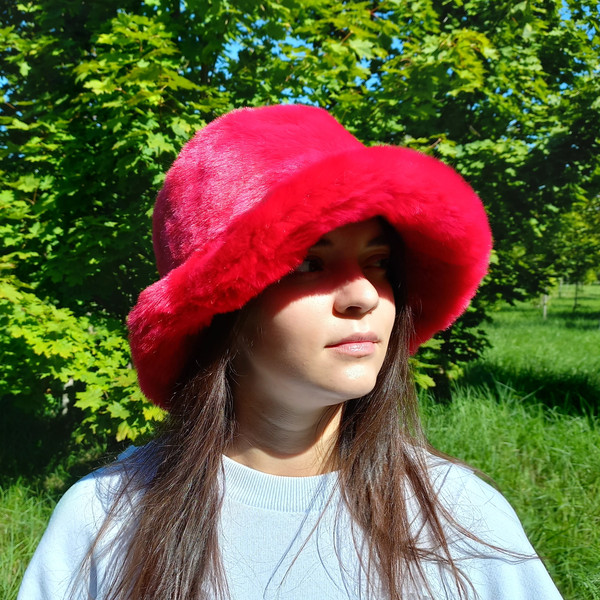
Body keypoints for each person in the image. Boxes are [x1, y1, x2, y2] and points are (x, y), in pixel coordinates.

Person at [18, 104, 563, 600]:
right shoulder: (106, 523)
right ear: (221, 308)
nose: (365, 295)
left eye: (378, 263)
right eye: (308, 264)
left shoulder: (460, 519)